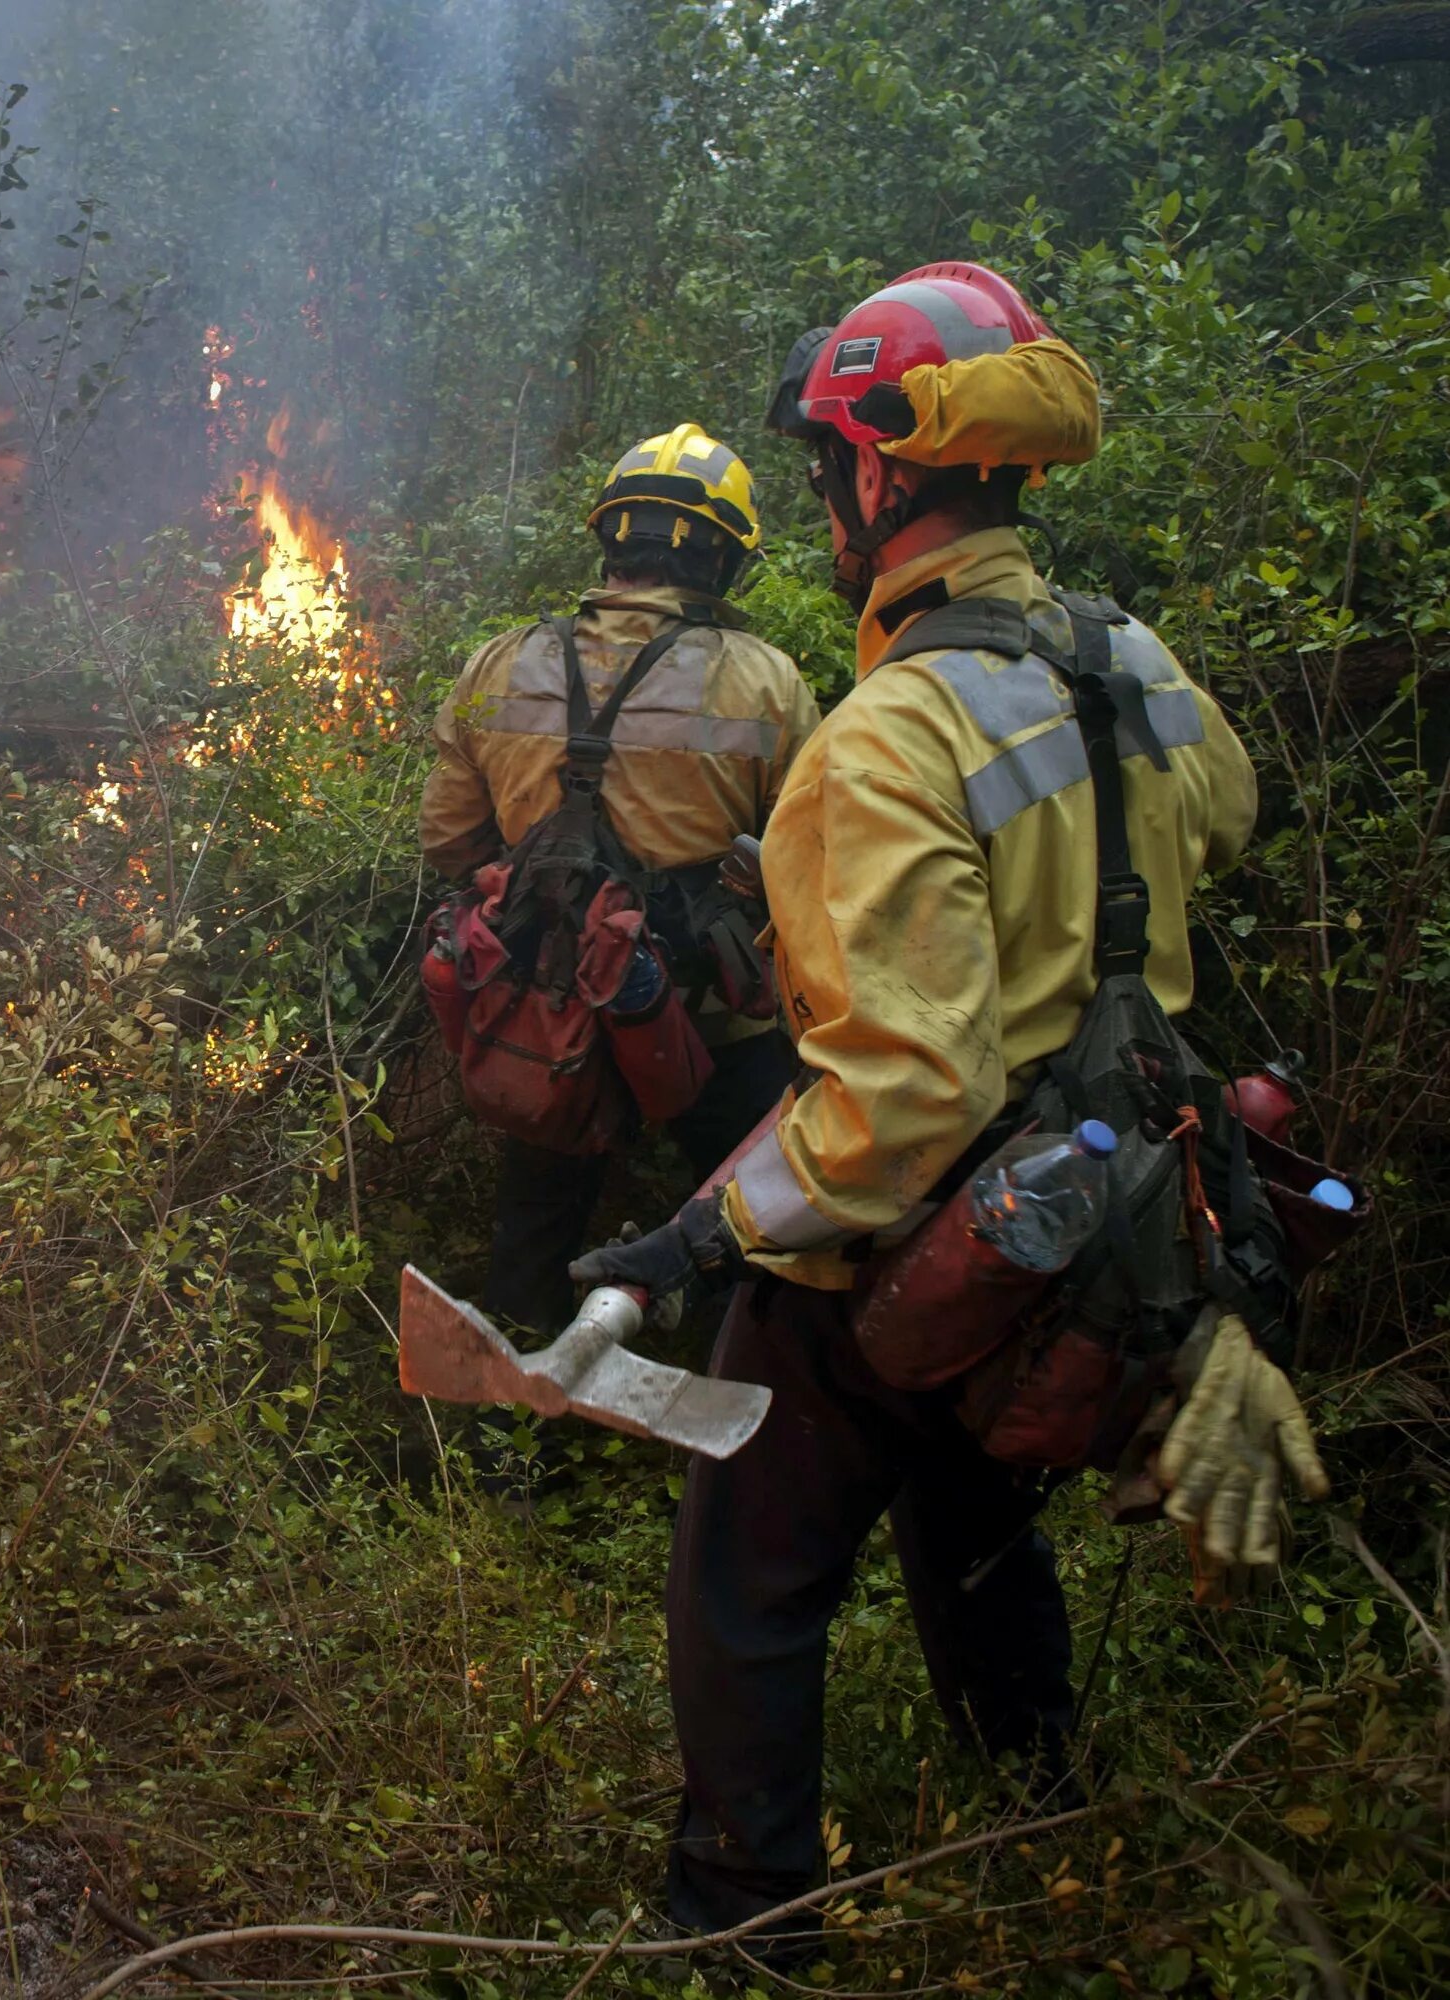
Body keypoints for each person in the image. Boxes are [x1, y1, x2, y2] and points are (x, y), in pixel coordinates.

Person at [568, 263, 1324, 1945]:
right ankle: (1035, 1791)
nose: (832, 503)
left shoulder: (882, 739)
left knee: (749, 1571)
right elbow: (1223, 817)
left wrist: (703, 1232)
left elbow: (905, 1097)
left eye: (835, 467)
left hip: (932, 1227)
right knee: (974, 1508)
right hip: (1109, 1212)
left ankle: (739, 1919)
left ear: (882, 473)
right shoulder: (1129, 657)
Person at [420, 424, 818, 1333]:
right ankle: (734, 1416)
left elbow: (447, 840)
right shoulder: (767, 682)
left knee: (535, 1214)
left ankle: (509, 1437)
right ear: (723, 560)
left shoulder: (500, 659)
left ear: (610, 542)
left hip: (548, 1012)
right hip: (711, 1019)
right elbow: (811, 865)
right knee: (751, 1211)